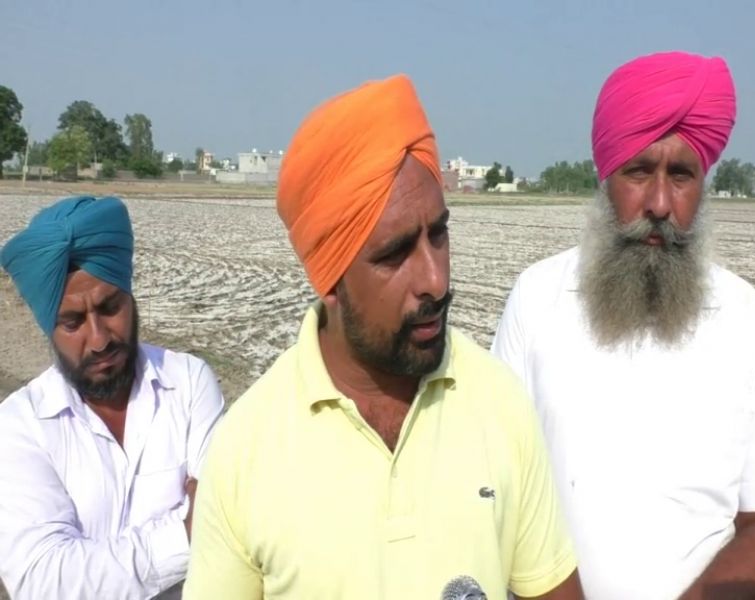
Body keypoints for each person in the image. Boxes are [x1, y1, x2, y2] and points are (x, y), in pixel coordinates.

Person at [183, 74, 582, 600]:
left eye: (438, 234)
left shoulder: (500, 403)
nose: (435, 279)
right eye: (395, 254)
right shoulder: (244, 450)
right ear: (330, 280)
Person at [492, 51, 755, 599]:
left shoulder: (745, 318)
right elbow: (496, 494)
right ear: (606, 176)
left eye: (680, 175)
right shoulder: (537, 299)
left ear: (702, 184)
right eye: (638, 172)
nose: (659, 203)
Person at [0, 196, 225, 599]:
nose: (100, 339)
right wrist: (185, 532)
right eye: (73, 323)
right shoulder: (19, 425)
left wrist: (86, 563)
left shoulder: (188, 384)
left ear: (131, 298)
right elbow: (43, 582)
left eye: (110, 307)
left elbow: (230, 528)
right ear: (47, 328)